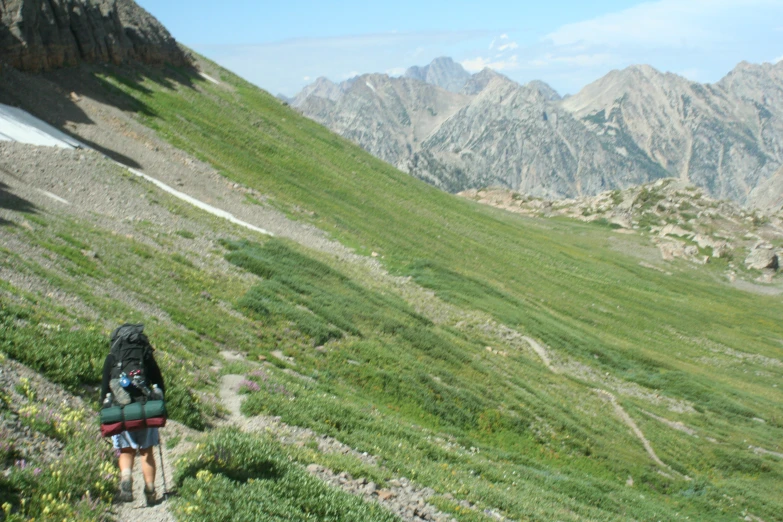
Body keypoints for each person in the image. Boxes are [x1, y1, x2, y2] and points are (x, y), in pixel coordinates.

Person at [100, 324, 165, 506]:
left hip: (122, 410)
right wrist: (160, 401)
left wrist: (103, 409)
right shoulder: (145, 354)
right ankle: (150, 490)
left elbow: (105, 386)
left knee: (126, 451)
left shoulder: (112, 357)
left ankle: (126, 477)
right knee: (146, 452)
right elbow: (158, 381)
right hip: (145, 409)